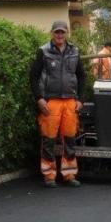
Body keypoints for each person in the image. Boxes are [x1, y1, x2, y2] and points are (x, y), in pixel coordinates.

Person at [30, 20, 85, 188]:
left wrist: (80, 99)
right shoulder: (43, 51)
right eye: (57, 32)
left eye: (62, 32)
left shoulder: (75, 51)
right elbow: (33, 76)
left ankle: (69, 175)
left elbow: (82, 76)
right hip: (50, 101)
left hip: (69, 101)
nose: (59, 35)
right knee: (48, 140)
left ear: (66, 33)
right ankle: (49, 175)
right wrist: (39, 98)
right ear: (52, 33)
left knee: (69, 139)